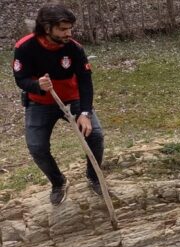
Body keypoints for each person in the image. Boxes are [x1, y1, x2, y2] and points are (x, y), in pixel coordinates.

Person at [12, 4, 105, 205]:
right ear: (47, 28)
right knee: (37, 147)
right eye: (63, 29)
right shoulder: (25, 47)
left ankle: (94, 176)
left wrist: (85, 113)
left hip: (74, 100)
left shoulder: (74, 48)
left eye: (70, 28)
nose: (68, 33)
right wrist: (37, 85)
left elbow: (85, 81)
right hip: (40, 103)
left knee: (95, 135)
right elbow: (21, 79)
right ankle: (58, 181)